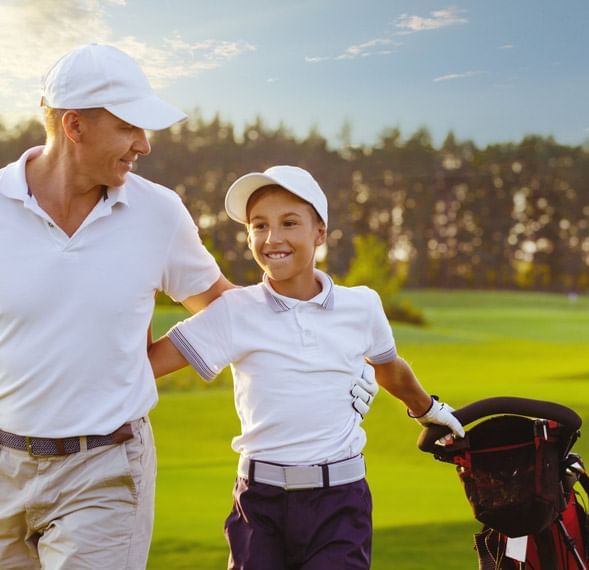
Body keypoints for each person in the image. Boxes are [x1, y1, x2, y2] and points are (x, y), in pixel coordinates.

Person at [0, 43, 237, 569]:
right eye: (130, 127)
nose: (144, 145)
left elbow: (226, 308)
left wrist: (149, 363)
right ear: (75, 126)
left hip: (106, 469)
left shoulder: (159, 212)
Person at [147, 165, 466, 569]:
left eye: (289, 223)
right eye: (258, 226)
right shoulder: (234, 310)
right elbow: (147, 365)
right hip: (259, 503)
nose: (272, 238)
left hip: (339, 501)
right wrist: (138, 287)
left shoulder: (362, 304)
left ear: (320, 232)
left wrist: (430, 410)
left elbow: (389, 368)